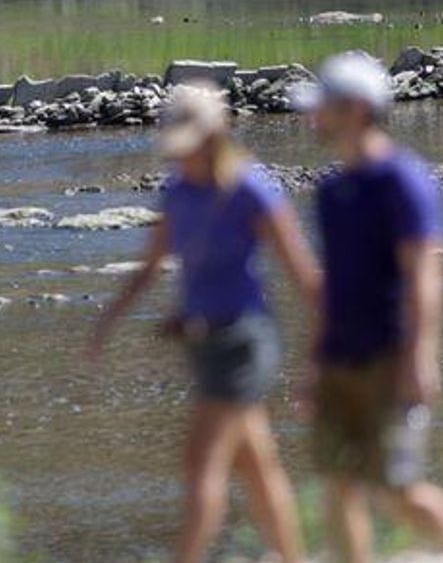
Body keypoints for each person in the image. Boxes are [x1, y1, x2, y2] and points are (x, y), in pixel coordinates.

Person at [86, 83, 321, 563]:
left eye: (191, 147)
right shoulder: (177, 190)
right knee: (257, 466)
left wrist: (321, 351)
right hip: (201, 340)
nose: (182, 158)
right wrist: (106, 323)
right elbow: (150, 267)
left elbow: (302, 274)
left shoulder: (251, 187)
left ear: (214, 138)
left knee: (201, 465)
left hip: (244, 340)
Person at [291, 52, 443, 563]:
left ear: (356, 109)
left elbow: (424, 274)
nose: (314, 119)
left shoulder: (404, 180)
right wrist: (313, 361)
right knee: (338, 485)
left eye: (323, 107)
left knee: (396, 489)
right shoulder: (332, 190)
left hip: (387, 357)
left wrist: (420, 359)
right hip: (338, 358)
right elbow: (332, 284)